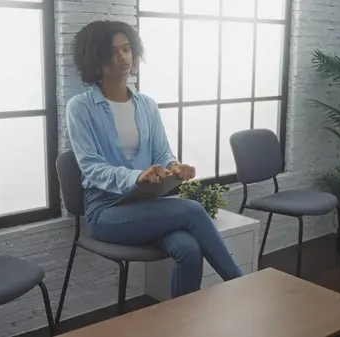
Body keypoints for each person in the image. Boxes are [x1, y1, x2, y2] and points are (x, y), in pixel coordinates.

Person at [66, 20, 242, 297]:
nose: (122, 56)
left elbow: (161, 152)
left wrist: (174, 167)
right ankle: (243, 286)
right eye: (112, 51)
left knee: (189, 249)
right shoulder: (80, 107)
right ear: (95, 58)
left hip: (147, 205)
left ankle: (181, 324)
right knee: (192, 209)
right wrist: (136, 176)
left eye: (126, 49)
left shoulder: (146, 104)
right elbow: (91, 167)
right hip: (106, 211)